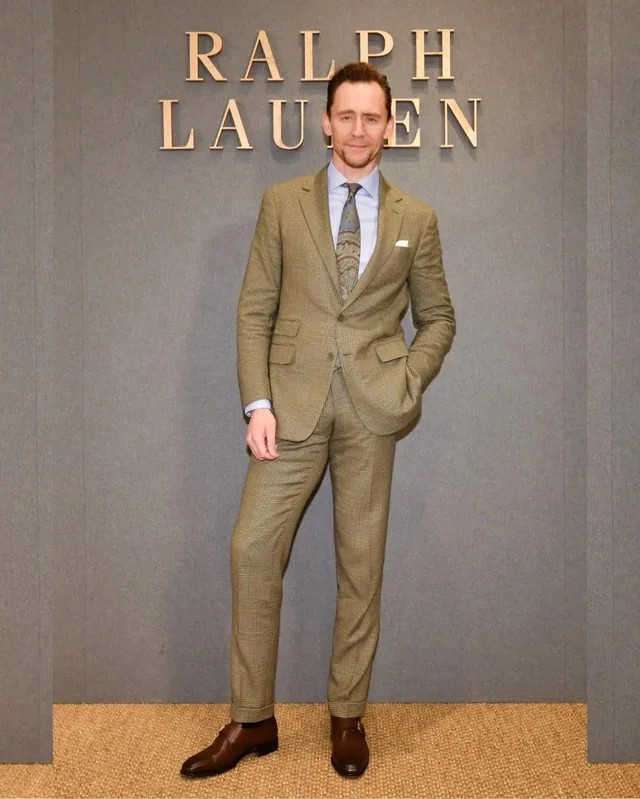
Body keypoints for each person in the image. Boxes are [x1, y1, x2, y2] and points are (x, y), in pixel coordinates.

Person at [181, 61, 456, 780]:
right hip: (291, 408)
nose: (359, 129)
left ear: (389, 128)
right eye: (347, 115)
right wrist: (258, 402)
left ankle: (347, 715)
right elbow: (254, 310)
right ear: (327, 122)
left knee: (361, 565)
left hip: (373, 410)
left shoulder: (416, 219)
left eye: (372, 117)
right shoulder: (281, 204)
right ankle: (252, 719)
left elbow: (439, 317)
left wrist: (408, 378)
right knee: (251, 550)